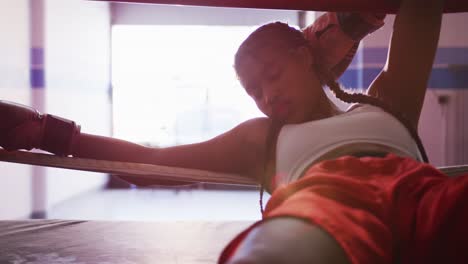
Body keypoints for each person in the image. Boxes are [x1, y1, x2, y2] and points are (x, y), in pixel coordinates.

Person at [1, 0, 468, 263]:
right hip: (326, 202)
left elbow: (421, 12)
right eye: (252, 89)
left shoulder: (385, 100)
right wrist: (44, 133)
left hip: (421, 192)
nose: (265, 94)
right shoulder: (260, 138)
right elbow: (152, 163)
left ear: (305, 56)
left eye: (272, 74)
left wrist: (353, 21)